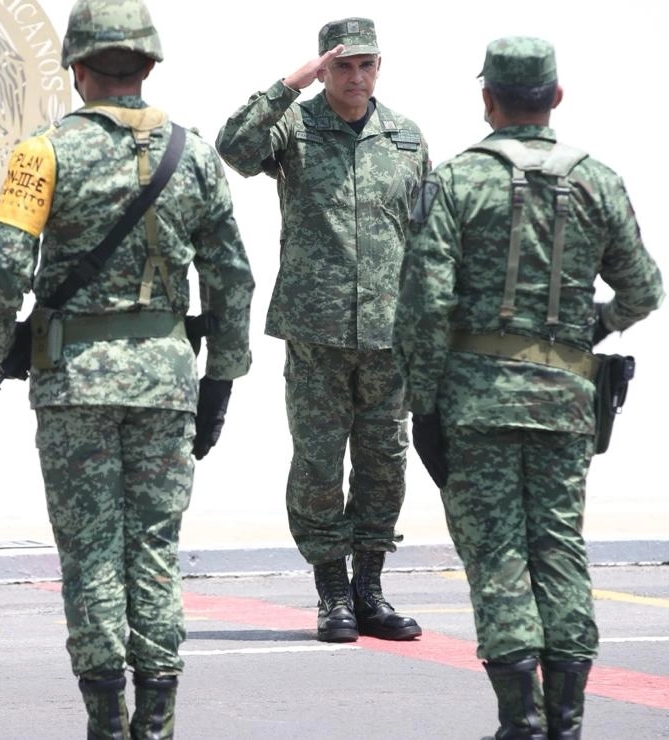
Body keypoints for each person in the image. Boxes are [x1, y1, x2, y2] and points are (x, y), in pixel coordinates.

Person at [0, 1, 254, 736]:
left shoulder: (41, 154)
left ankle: (106, 720)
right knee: (154, 550)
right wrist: (219, 380)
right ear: (150, 66)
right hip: (165, 381)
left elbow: (2, 265)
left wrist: (1, 341)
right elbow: (233, 281)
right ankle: (156, 723)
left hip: (74, 383)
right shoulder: (194, 155)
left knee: (91, 553)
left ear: (76, 69)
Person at [393, 37, 664, 739]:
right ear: (556, 96)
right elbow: (644, 287)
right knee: (558, 547)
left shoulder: (456, 180)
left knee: (499, 558)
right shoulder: (596, 180)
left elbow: (425, 304)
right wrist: (588, 330)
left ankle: (521, 721)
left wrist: (422, 403)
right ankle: (567, 722)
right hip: (565, 402)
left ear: (488, 100)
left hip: (476, 402)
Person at [215, 18, 428, 643]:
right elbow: (234, 147)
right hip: (317, 330)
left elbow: (426, 232)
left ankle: (370, 588)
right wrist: (289, 85)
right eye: (341, 66)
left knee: (385, 463)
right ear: (322, 68)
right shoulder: (294, 128)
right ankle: (331, 590)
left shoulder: (406, 137)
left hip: (391, 335)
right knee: (317, 465)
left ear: (379, 67)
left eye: (365, 65)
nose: (355, 77)